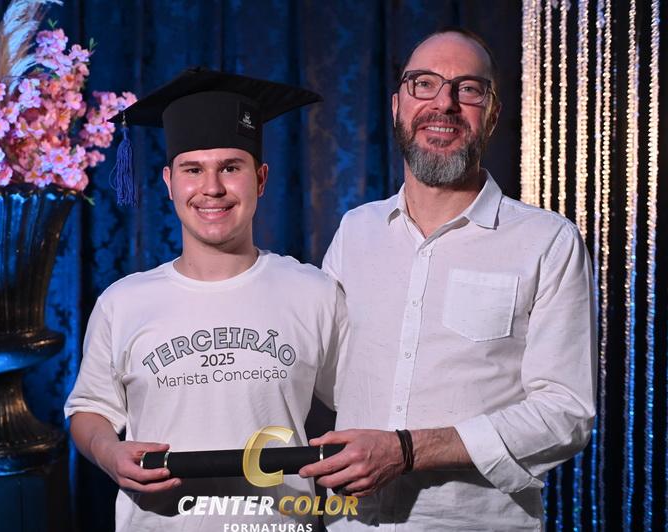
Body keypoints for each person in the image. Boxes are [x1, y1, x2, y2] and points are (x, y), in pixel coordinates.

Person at [298, 28, 597, 530]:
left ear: (493, 115)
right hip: (353, 522)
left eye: (469, 89)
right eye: (424, 84)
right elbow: (326, 374)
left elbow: (565, 413)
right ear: (397, 105)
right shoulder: (356, 231)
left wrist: (408, 450)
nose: (444, 103)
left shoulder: (548, 241)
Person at [64, 68, 347, 531]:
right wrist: (108, 452)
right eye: (193, 169)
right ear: (168, 182)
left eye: (230, 168)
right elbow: (90, 409)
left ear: (260, 178)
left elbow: (360, 407)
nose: (211, 187)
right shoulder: (123, 302)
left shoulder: (313, 293)